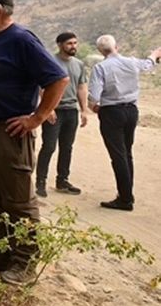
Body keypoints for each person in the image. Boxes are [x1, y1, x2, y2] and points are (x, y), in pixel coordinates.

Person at [0, 0, 68, 286]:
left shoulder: (21, 40)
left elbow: (58, 79)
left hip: (9, 132)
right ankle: (2, 253)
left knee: (18, 200)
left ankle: (25, 262)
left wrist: (37, 117)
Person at [88, 35, 161, 211]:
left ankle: (125, 198)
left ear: (100, 51)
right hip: (131, 111)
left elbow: (94, 96)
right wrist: (154, 54)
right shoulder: (132, 62)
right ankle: (127, 193)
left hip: (112, 112)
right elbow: (148, 64)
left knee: (118, 155)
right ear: (117, 47)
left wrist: (94, 107)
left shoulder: (100, 68)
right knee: (126, 153)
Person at [35, 32, 89, 197]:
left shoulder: (79, 64)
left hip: (71, 111)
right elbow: (41, 86)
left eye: (75, 43)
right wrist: (48, 108)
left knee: (67, 147)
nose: (73, 46)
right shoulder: (50, 61)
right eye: (69, 43)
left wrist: (84, 110)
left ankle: (62, 181)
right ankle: (40, 182)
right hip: (54, 111)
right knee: (49, 146)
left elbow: (81, 87)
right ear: (59, 45)